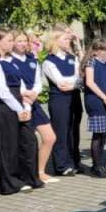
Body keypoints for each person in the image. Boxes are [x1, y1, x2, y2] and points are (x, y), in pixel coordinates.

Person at [0, 30, 40, 194]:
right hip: (4, 105)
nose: (12, 43)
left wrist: (25, 104)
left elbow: (20, 83)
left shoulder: (10, 60)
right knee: (8, 144)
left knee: (28, 140)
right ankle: (10, 182)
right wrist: (18, 108)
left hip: (18, 100)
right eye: (9, 40)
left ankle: (28, 176)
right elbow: (1, 90)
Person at [12, 32, 59, 185]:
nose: (23, 44)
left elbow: (38, 81)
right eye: (19, 41)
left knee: (49, 137)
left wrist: (34, 93)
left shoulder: (32, 59)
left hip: (33, 102)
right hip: (18, 103)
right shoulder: (9, 60)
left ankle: (40, 171)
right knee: (25, 142)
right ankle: (25, 173)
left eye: (25, 41)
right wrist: (23, 94)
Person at [43, 26, 84, 176]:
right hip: (59, 100)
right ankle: (61, 165)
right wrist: (75, 82)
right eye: (65, 39)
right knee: (61, 132)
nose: (68, 41)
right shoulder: (49, 61)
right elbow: (61, 83)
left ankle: (74, 161)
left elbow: (80, 78)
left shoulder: (72, 58)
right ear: (55, 41)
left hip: (74, 98)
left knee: (74, 131)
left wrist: (74, 83)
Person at [82, 38, 106, 178]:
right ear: (95, 51)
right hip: (95, 100)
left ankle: (100, 162)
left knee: (104, 132)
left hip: (105, 99)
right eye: (104, 49)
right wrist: (104, 97)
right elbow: (90, 83)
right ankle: (96, 166)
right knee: (98, 134)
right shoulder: (91, 62)